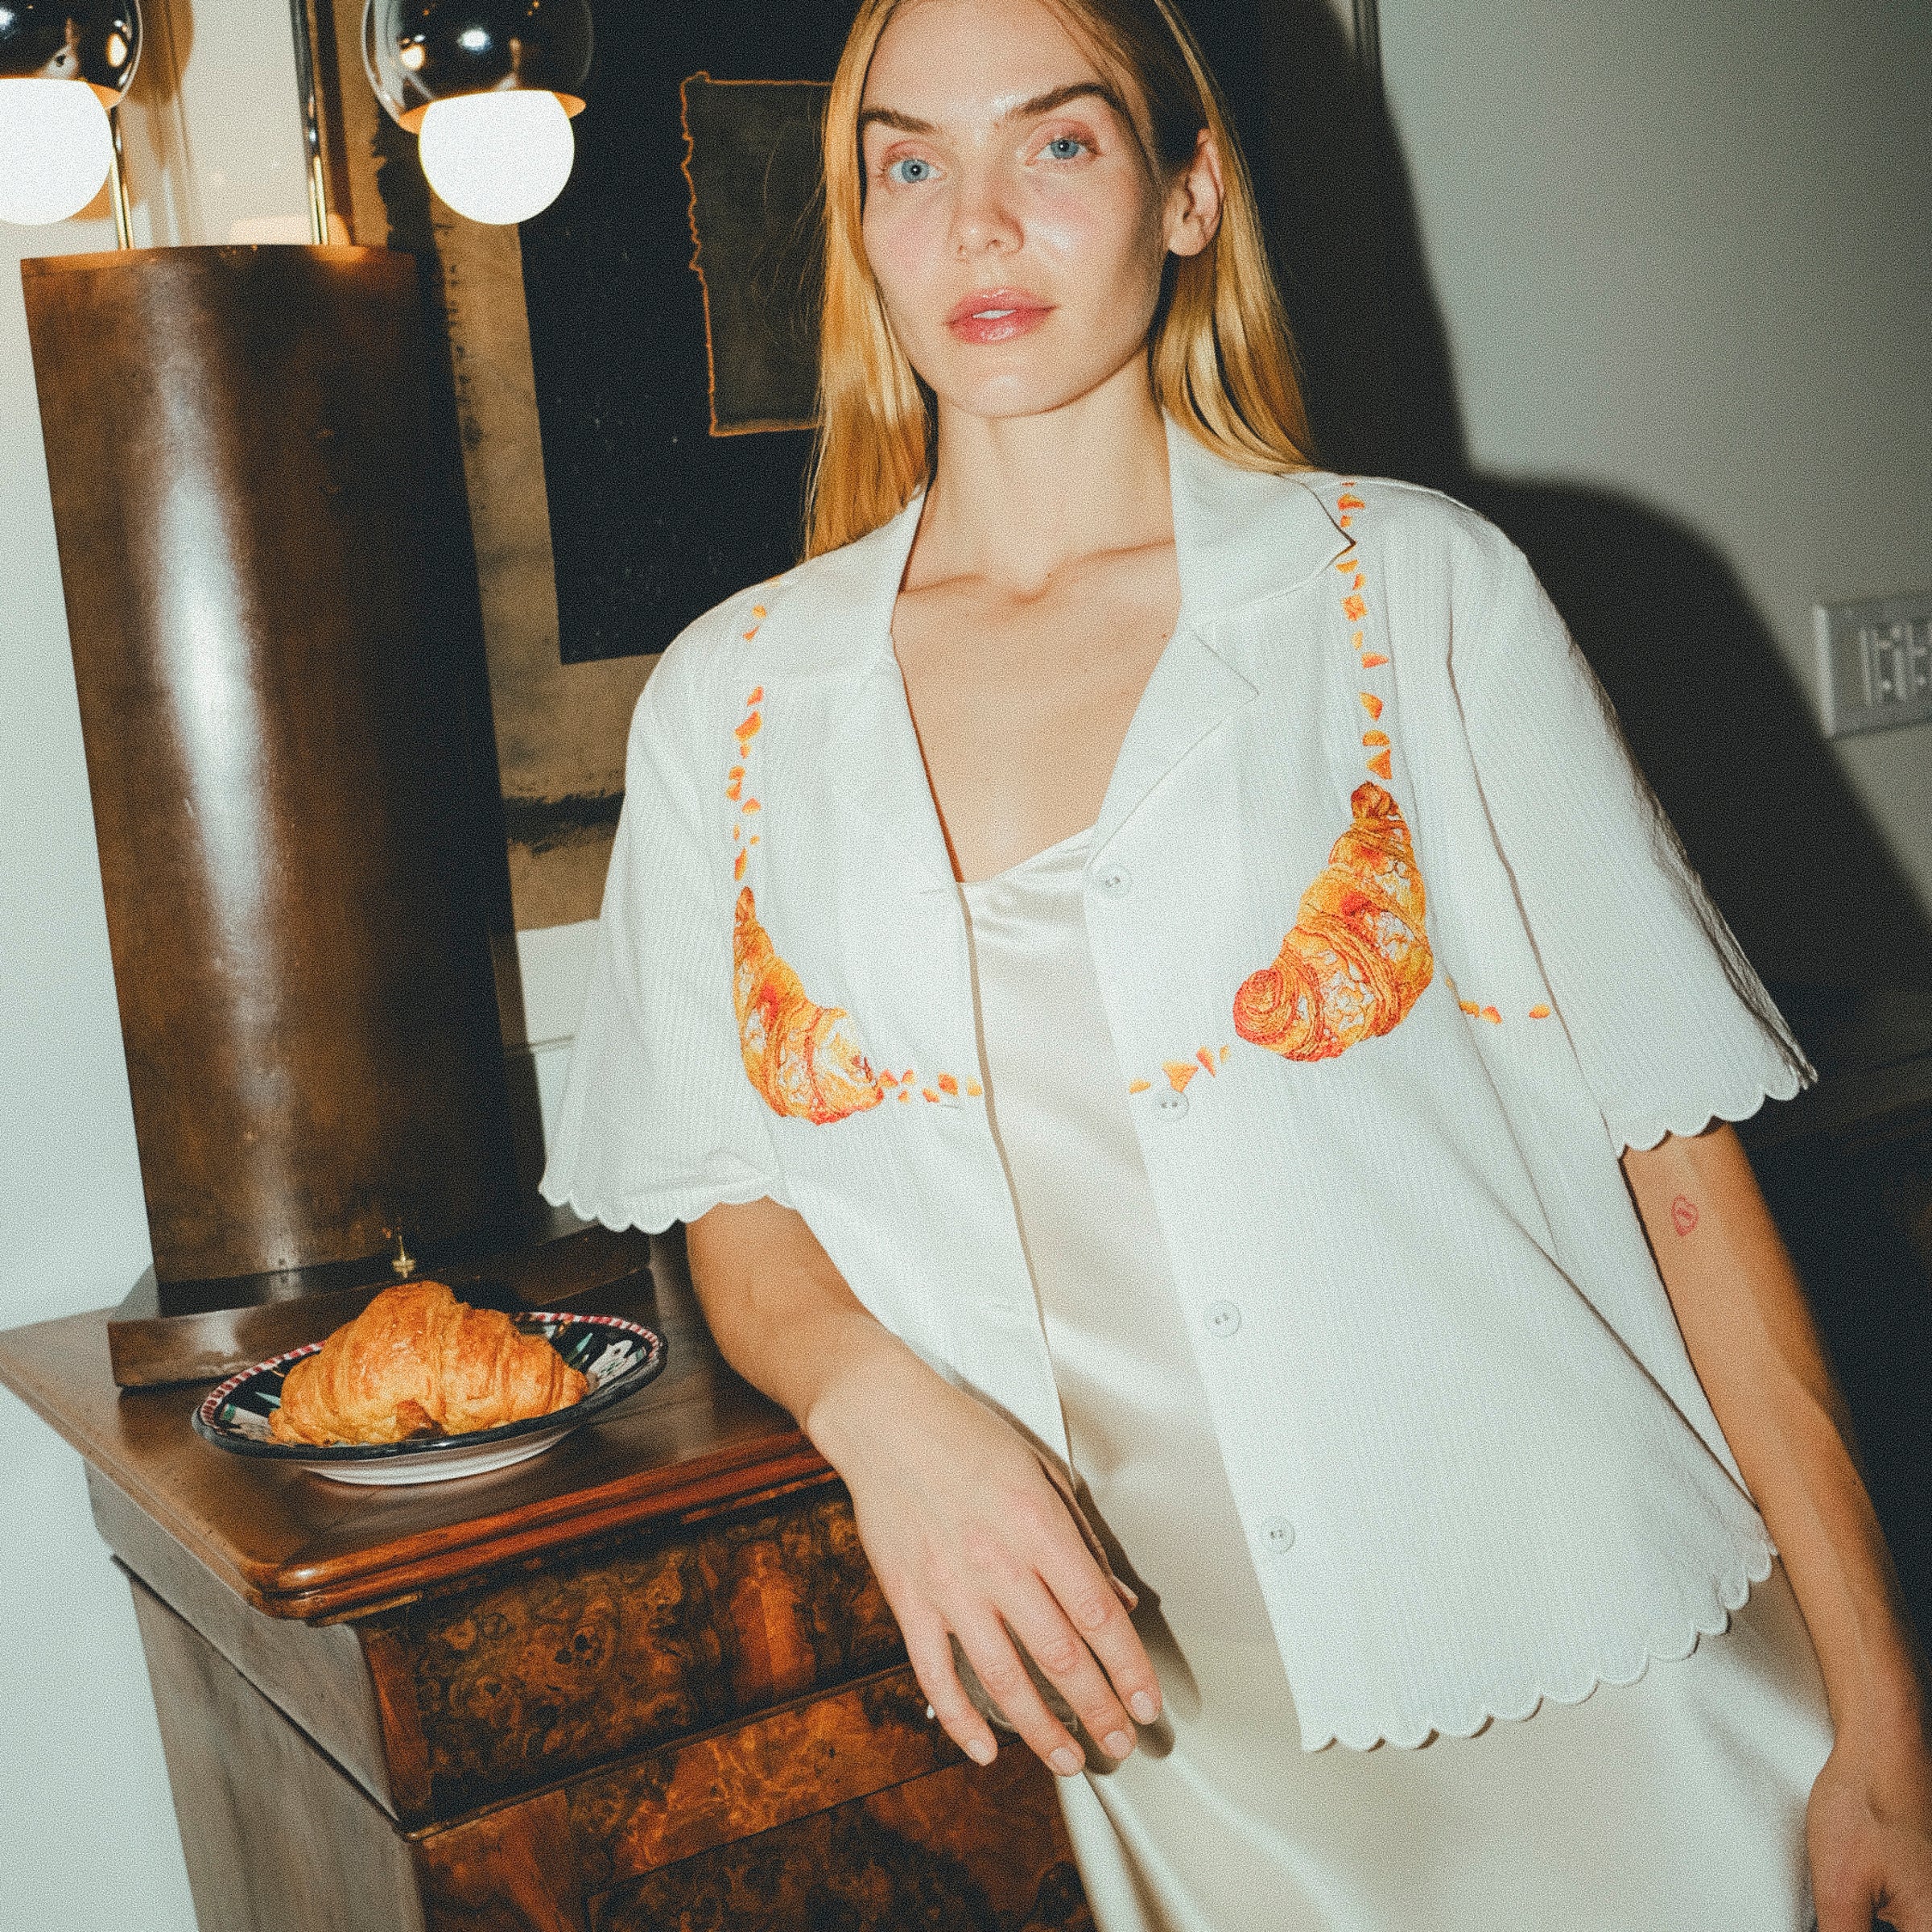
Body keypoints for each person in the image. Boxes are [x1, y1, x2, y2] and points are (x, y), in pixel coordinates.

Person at [543, 0, 1932, 1923]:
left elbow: (1680, 1175)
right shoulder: (735, 707)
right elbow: (733, 1195)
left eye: (1060, 145)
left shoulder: (1410, 593)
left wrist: (1884, 1720)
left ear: (1190, 193)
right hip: (1172, 1745)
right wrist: (878, 1408)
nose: (980, 227)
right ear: (858, 227)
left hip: (1606, 1678)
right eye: (909, 163)